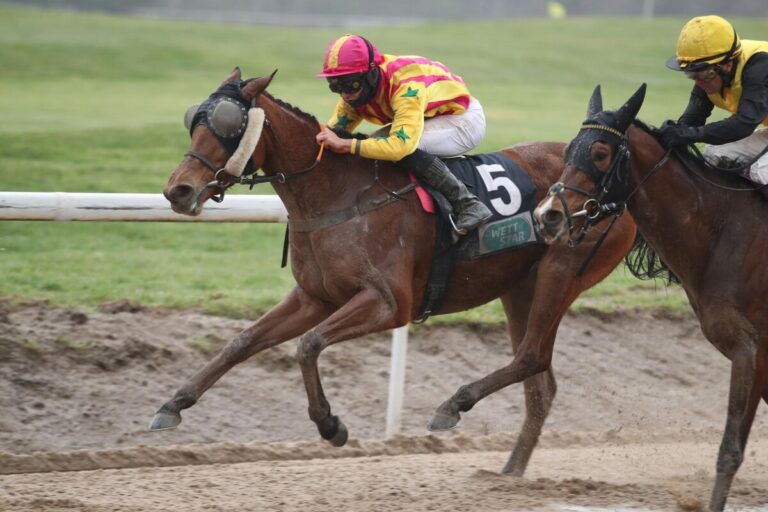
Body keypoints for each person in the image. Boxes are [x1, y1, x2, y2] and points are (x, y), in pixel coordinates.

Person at [315, 34, 492, 234]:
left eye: (351, 84)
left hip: (462, 120)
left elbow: (400, 146)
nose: (345, 94)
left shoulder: (406, 85)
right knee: (373, 144)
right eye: (335, 86)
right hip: (430, 116)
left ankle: (467, 204)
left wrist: (347, 145)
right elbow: (332, 134)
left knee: (394, 147)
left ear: (371, 74)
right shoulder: (357, 90)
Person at [660, 15, 768, 185]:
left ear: (727, 65)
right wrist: (671, 134)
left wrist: (688, 134)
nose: (697, 81)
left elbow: (743, 124)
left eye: (703, 74)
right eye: (691, 74)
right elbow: (691, 122)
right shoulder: (711, 72)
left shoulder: (760, 67)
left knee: (762, 171)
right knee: (713, 156)